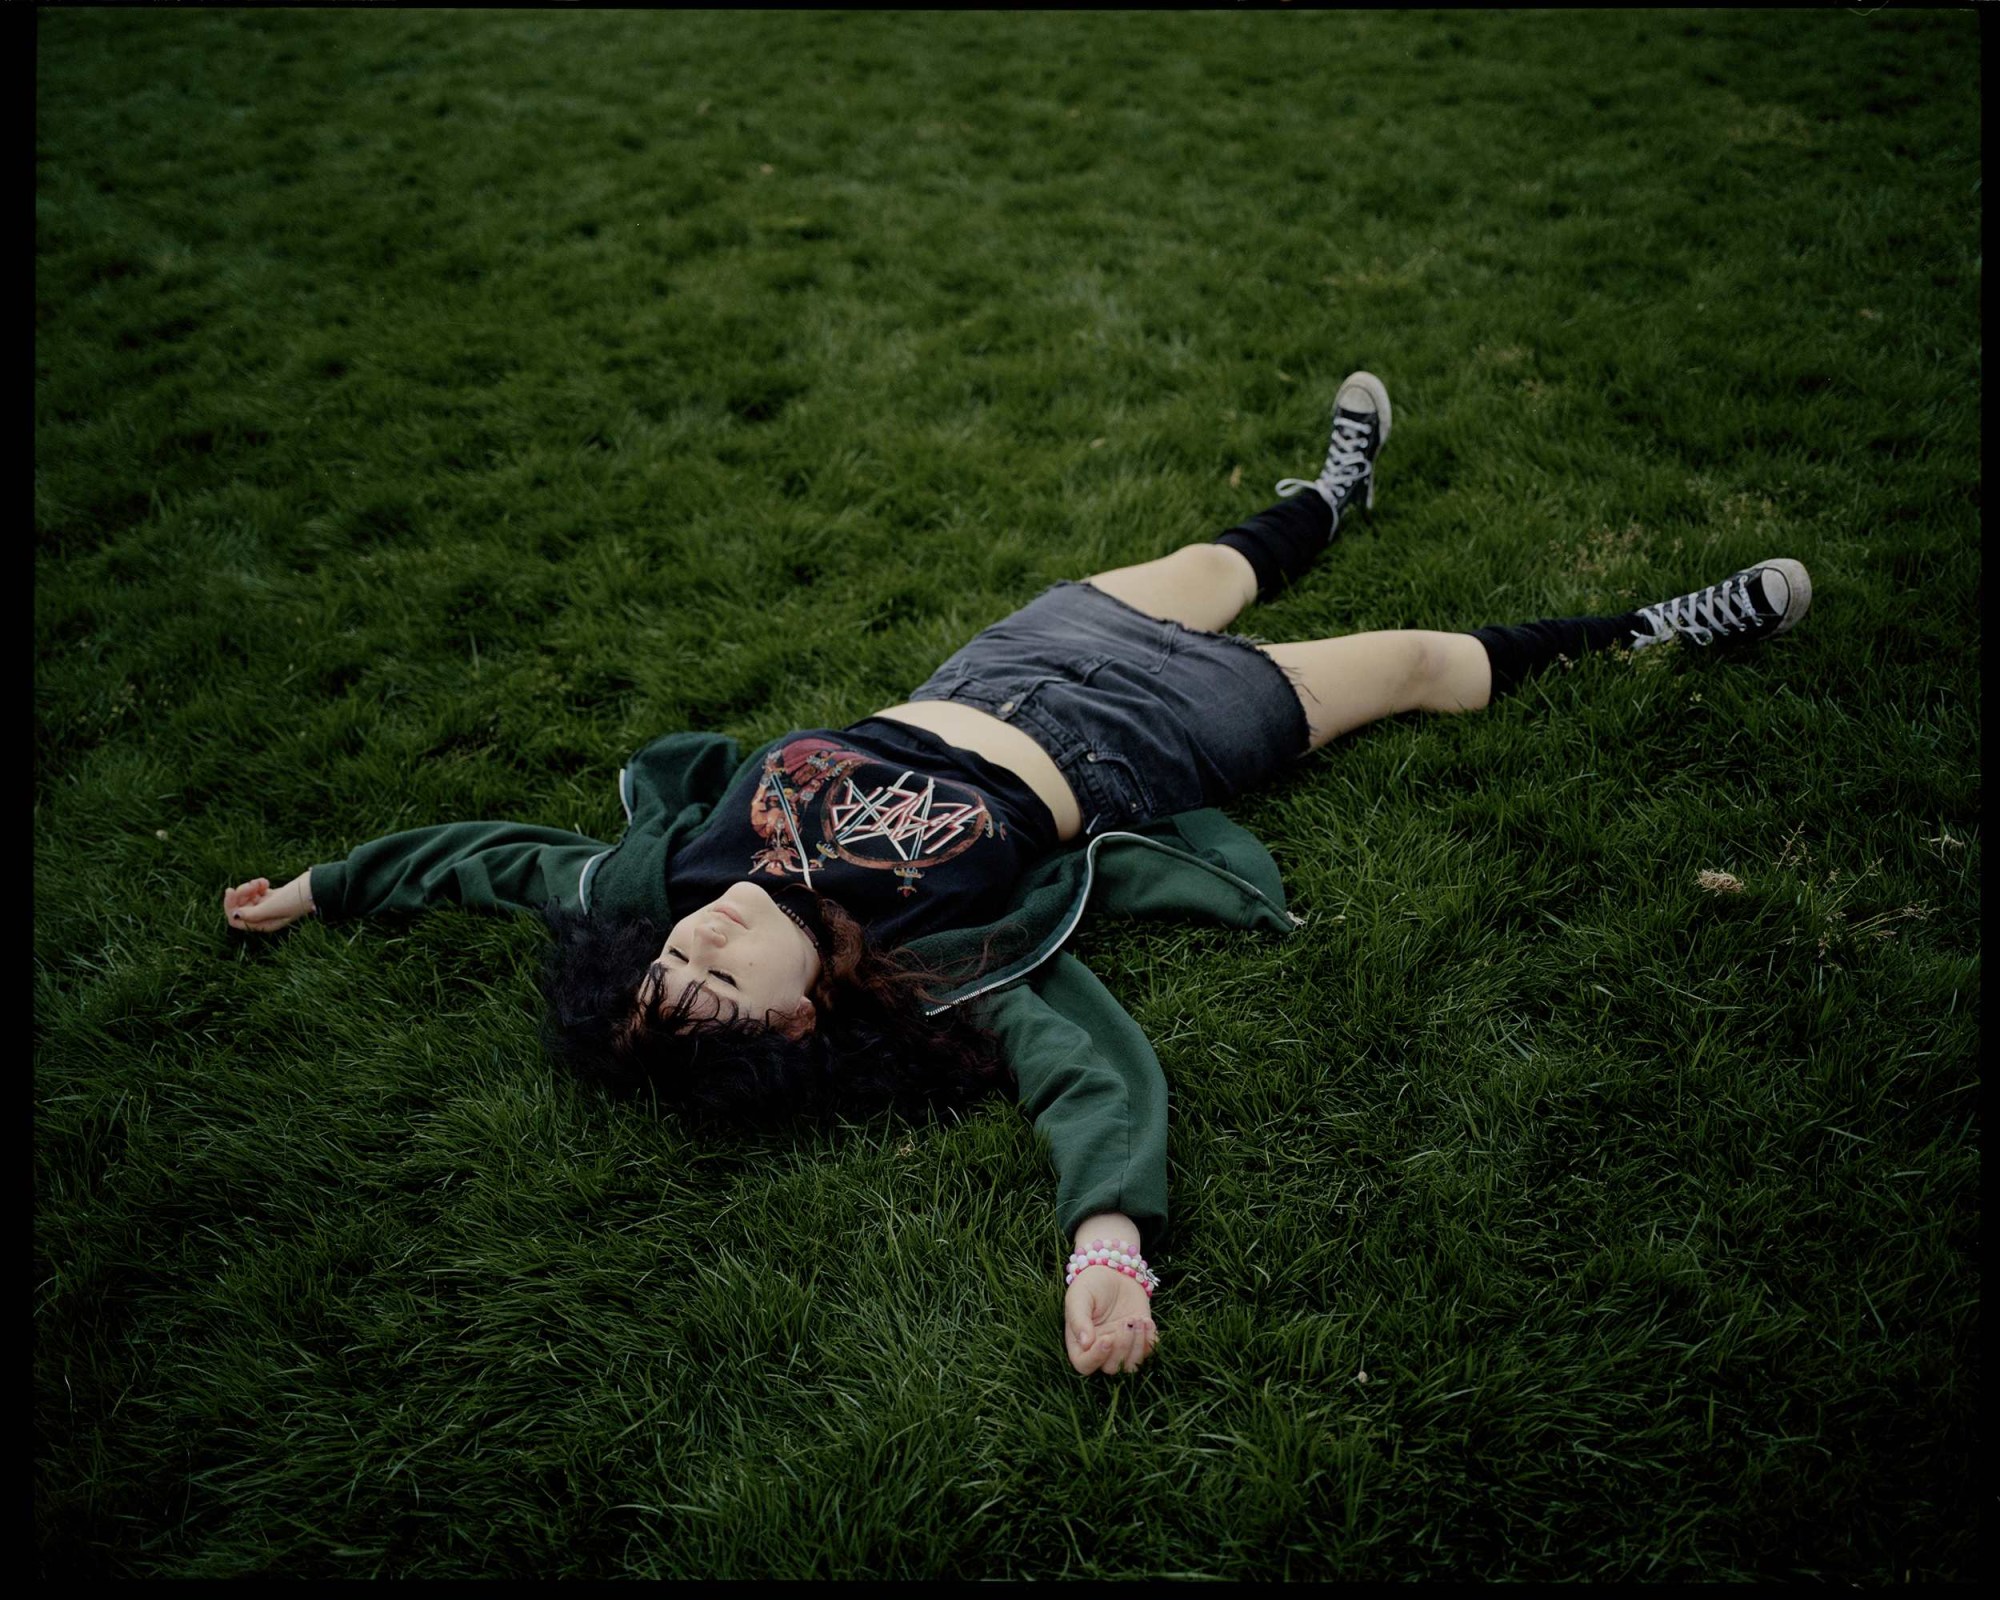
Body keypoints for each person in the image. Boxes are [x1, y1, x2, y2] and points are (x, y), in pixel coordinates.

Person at [221, 372, 1812, 1378]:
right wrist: (1107, 1243)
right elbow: (1085, 1067)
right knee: (1406, 663)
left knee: (1210, 564)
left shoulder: (684, 859)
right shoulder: (934, 953)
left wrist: (331, 884)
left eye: (669, 961)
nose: (698, 937)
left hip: (1006, 661)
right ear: (794, 1022)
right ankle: (1661, 626)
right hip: (1142, 745)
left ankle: (1330, 494)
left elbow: (500, 863)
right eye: (714, 980)